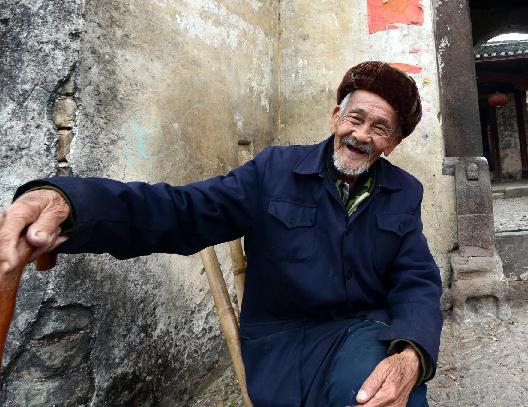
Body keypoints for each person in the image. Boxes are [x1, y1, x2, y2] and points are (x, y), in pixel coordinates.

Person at [0, 61, 443, 407]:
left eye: (379, 127)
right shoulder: (273, 171)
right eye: (355, 118)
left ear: (393, 143)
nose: (361, 135)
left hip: (362, 332)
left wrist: (411, 355)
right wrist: (72, 203)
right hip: (284, 342)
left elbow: (417, 280)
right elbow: (181, 211)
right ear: (335, 117)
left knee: (380, 394)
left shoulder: (403, 192)